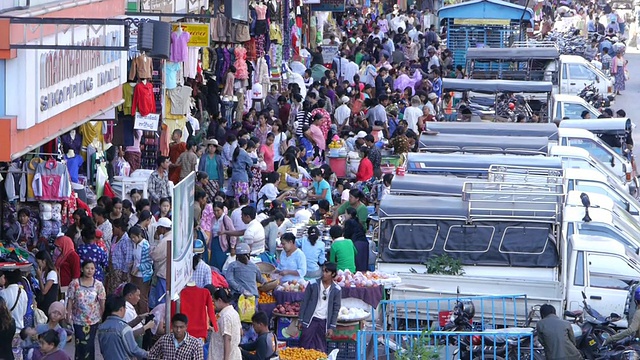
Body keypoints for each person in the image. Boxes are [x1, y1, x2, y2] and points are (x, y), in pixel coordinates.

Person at [66, 260, 106, 360]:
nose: (89, 271)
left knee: (90, 344)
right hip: (78, 320)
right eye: (87, 268)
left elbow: (102, 302)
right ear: (82, 269)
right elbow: (70, 300)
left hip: (93, 320)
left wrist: (103, 316)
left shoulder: (98, 285)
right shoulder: (74, 283)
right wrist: (68, 315)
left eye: (92, 268)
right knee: (80, 343)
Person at [299, 263, 341, 353]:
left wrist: (331, 327)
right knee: (304, 346)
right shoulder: (312, 284)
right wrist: (300, 319)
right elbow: (304, 302)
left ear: (333, 274)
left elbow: (336, 309)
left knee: (320, 348)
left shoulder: (337, 289)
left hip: (324, 322)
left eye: (327, 271)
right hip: (310, 319)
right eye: (323, 271)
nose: (324, 274)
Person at [97, 295, 149, 360]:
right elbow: (134, 350)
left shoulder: (101, 327)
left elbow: (102, 350)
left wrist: (139, 318)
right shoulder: (124, 328)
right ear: (121, 309)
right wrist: (148, 354)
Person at [209, 289, 242, 360]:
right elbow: (240, 331)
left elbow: (227, 338)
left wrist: (226, 358)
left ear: (219, 300)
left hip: (222, 356)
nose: (214, 305)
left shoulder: (225, 316)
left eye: (214, 302)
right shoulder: (234, 313)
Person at [0, 270, 24, 360]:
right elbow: (24, 311)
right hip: (18, 328)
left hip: (5, 328)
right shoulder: (23, 292)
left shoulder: (3, 293)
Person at [150, 217, 172, 309]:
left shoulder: (165, 241)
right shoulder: (172, 236)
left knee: (161, 303)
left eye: (158, 227)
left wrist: (155, 241)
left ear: (163, 228)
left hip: (163, 274)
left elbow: (154, 255)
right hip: (169, 274)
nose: (157, 229)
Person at [343, 207, 369, 272]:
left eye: (345, 213)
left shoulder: (349, 222)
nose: (344, 215)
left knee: (357, 266)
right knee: (363, 265)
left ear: (350, 215)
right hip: (365, 243)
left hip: (357, 244)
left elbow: (347, 235)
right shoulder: (357, 222)